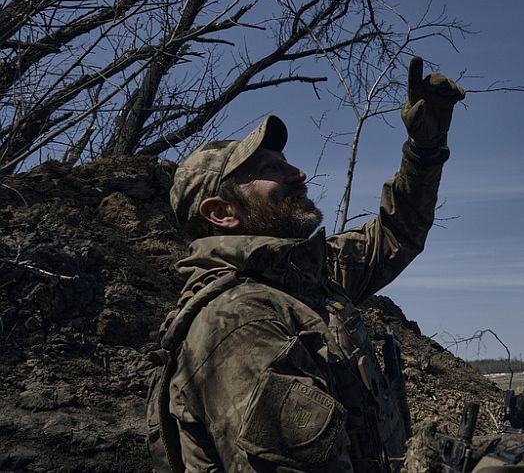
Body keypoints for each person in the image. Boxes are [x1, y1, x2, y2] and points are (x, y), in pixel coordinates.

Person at [147, 57, 464, 473]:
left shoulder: (304, 278)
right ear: (222, 212)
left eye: (286, 162)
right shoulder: (240, 325)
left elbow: (395, 234)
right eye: (269, 170)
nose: (298, 174)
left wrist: (424, 152)